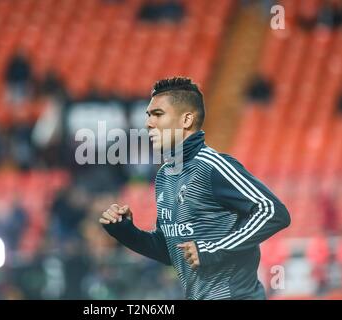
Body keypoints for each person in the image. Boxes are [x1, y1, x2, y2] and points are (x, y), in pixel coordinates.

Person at [99, 77, 291, 300]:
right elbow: (170, 251)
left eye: (158, 114)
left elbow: (273, 212)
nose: (148, 123)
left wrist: (214, 249)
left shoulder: (212, 166)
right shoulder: (165, 175)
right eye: (148, 115)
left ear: (186, 119)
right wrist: (125, 232)